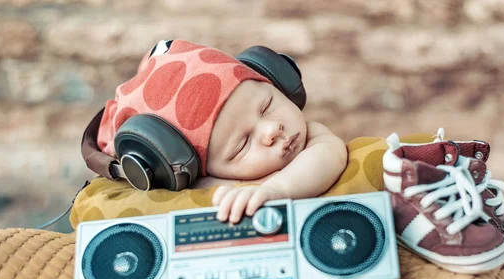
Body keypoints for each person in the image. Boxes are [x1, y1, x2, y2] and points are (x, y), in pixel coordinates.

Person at [96, 39, 348, 224]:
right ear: (192, 169)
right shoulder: (200, 184)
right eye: (243, 144)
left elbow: (329, 154)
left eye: (267, 105)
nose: (272, 129)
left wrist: (277, 190)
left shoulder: (313, 139)